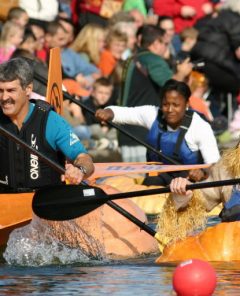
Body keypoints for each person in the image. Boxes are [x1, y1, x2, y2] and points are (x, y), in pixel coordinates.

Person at [96, 79, 220, 185]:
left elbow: (214, 165)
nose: (170, 110)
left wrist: (203, 172)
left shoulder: (200, 127)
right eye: (165, 104)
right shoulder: (153, 114)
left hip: (187, 185)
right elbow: (124, 113)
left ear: (187, 104)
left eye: (176, 105)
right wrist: (107, 113)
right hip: (156, 181)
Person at [0, 58, 94, 192]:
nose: (4, 98)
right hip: (5, 203)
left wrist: (80, 170)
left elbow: (83, 158)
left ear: (28, 89)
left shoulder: (51, 121)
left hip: (45, 205)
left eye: (11, 90)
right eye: (0, 91)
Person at [115, 25, 193, 163]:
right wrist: (182, 72)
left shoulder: (131, 59)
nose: (166, 48)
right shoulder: (153, 60)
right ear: (156, 43)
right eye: (165, 43)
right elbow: (172, 88)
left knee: (129, 181)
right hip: (141, 133)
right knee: (140, 182)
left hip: (126, 131)